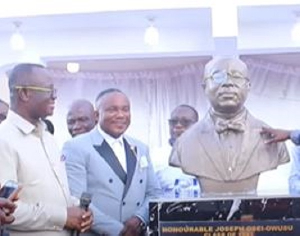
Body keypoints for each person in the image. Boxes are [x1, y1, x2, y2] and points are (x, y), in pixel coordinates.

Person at [169, 57, 290, 194]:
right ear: (205, 87)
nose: (228, 83)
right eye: (218, 77)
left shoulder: (272, 138)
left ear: (248, 86)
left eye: (237, 77)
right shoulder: (184, 143)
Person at [0, 63, 93, 236]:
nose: (54, 97)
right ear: (24, 93)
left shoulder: (48, 138)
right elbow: (7, 211)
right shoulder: (3, 139)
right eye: (49, 90)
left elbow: (55, 194)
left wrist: (80, 209)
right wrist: (63, 216)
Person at [62, 88, 161, 235]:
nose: (120, 115)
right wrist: (119, 231)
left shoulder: (140, 148)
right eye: (112, 110)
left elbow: (154, 192)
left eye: (125, 109)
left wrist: (140, 218)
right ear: (97, 115)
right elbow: (77, 199)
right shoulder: (76, 146)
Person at [153, 104, 200, 198]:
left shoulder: (209, 156)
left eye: (185, 122)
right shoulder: (154, 157)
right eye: (173, 122)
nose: (178, 126)